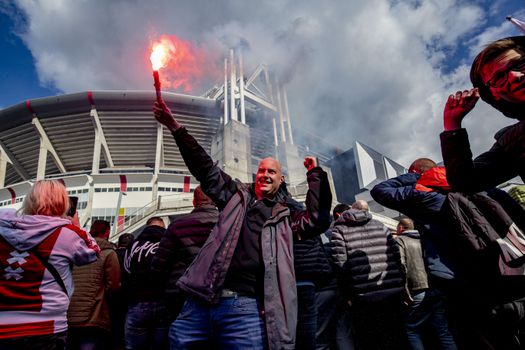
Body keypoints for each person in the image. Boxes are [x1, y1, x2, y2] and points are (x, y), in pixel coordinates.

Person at [153, 98, 332, 350]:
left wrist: (315, 176)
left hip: (244, 306)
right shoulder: (234, 196)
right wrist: (175, 127)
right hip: (200, 301)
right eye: (261, 170)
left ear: (281, 180)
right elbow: (204, 168)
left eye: (272, 172)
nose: (265, 174)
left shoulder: (285, 218)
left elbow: (317, 218)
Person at [0, 180, 99, 349]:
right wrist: (72, 223)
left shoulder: (3, 228)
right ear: (64, 204)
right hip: (46, 325)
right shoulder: (67, 234)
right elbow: (93, 251)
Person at [440, 36, 525, 193]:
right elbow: (465, 182)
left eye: (520, 64)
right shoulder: (513, 142)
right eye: (499, 78)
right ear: (495, 94)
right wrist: (452, 125)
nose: (515, 76)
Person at [329, 199, 406, 350]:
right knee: (397, 336)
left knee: (370, 339)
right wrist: (401, 283)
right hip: (392, 291)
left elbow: (340, 264)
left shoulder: (339, 230)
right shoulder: (380, 225)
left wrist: (347, 295)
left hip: (363, 297)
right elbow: (397, 256)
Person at [151, 186, 219, 321]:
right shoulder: (226, 223)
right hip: (219, 296)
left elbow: (158, 266)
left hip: (180, 297)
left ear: (194, 202)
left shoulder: (177, 225)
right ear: (215, 201)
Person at [396, 218, 456, 350]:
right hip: (436, 287)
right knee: (442, 329)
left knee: (412, 328)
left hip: (417, 289)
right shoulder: (425, 239)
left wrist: (406, 292)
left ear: (401, 228)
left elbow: (401, 266)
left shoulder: (400, 240)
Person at [67, 220, 121, 350]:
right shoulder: (108, 253)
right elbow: (113, 285)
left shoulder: (76, 251)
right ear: (107, 232)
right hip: (94, 314)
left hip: (71, 312)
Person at [123, 216, 170, 350]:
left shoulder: (133, 245)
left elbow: (126, 271)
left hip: (138, 302)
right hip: (163, 302)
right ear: (163, 228)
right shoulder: (168, 244)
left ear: (146, 227)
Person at [316, 203, 357, 350]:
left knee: (321, 334)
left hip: (328, 288)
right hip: (347, 289)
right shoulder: (353, 231)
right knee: (343, 329)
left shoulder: (326, 234)